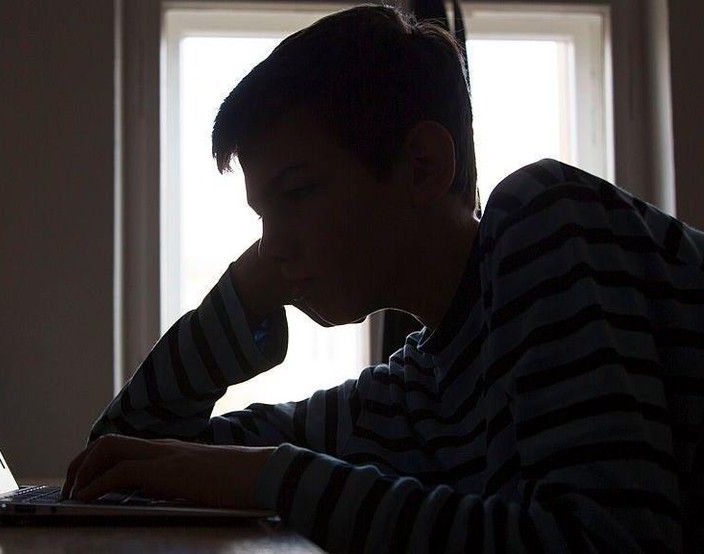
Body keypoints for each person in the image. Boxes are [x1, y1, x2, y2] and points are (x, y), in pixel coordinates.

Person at [63, 4, 704, 552]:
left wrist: (266, 476)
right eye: (262, 214)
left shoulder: (544, 217)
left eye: (298, 192)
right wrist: (247, 290)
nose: (273, 245)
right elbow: (121, 461)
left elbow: (609, 543)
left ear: (422, 167)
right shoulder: (410, 393)